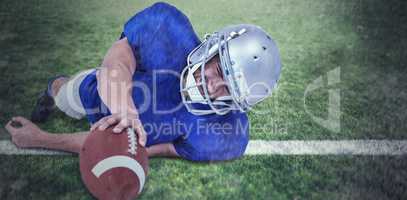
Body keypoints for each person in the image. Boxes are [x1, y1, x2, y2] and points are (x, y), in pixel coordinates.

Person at [5, 2, 281, 162]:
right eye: (221, 71)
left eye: (228, 92)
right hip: (101, 91)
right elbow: (117, 62)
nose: (212, 88)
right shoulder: (167, 28)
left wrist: (41, 139)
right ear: (214, 48)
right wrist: (124, 111)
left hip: (140, 127)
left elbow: (158, 148)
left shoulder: (226, 134)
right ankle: (52, 89)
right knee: (65, 94)